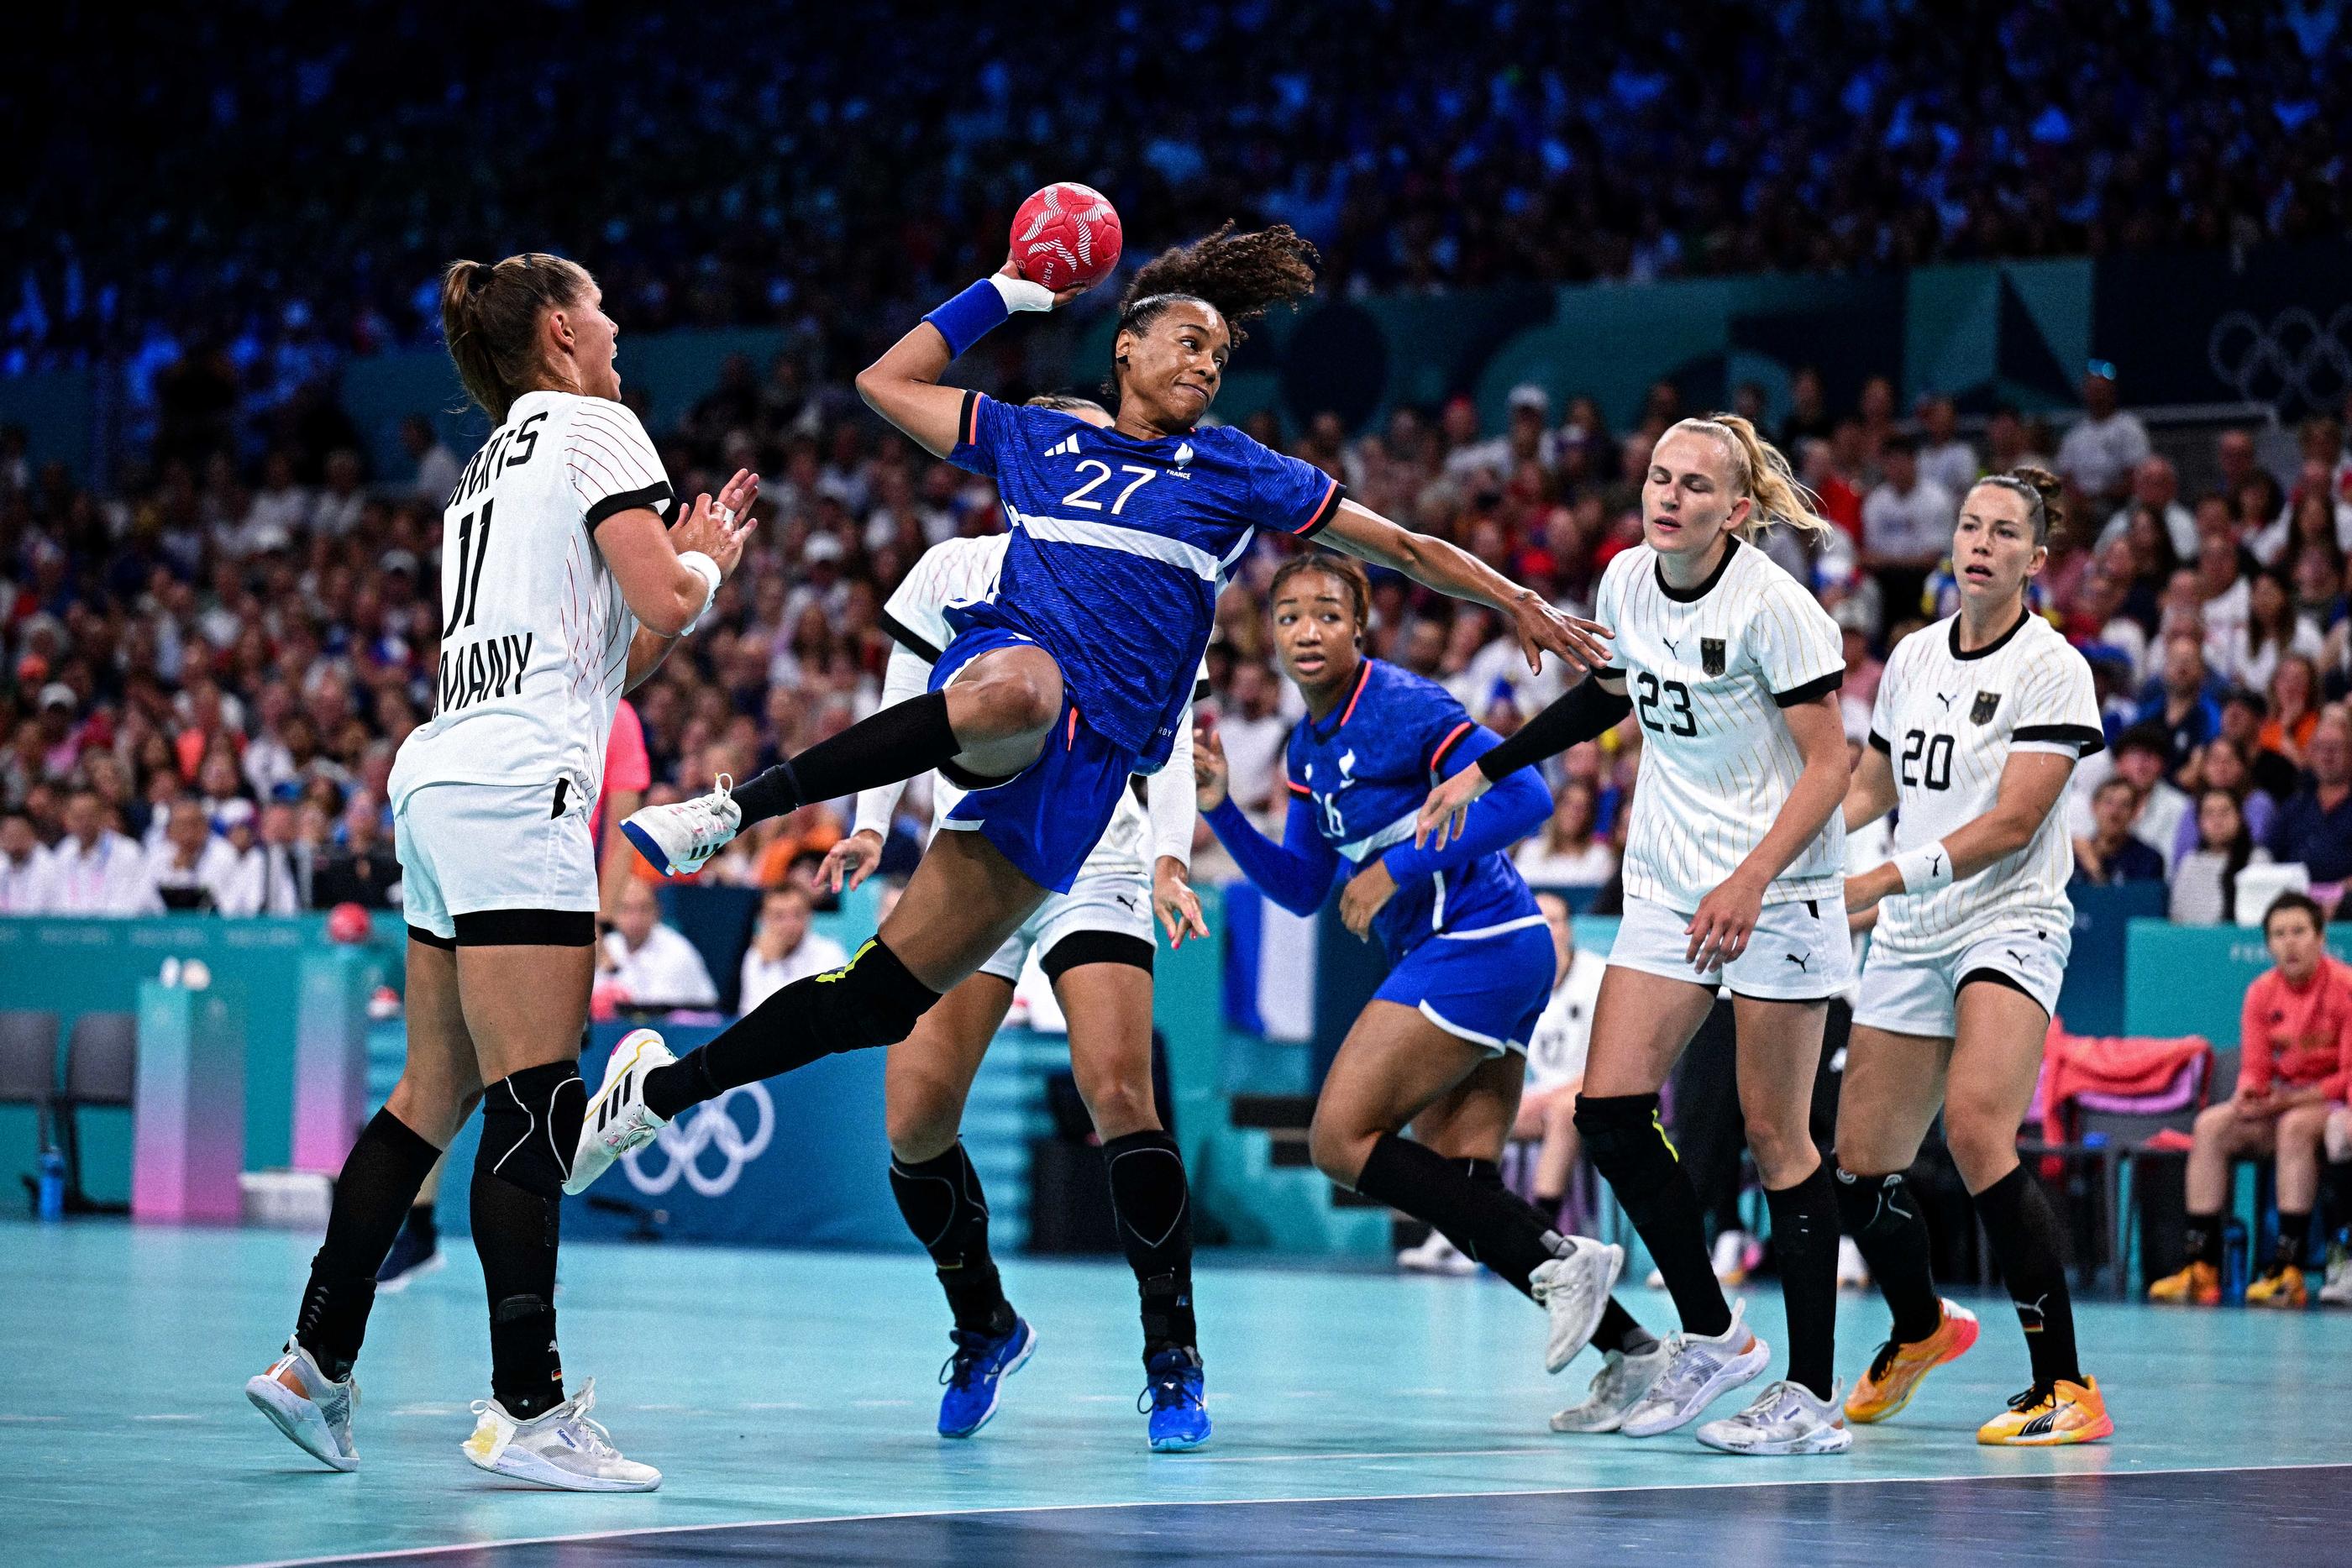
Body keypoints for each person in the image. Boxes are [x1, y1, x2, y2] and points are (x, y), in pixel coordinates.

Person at [570, 220, 1609, 1450]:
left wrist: (1512, 596)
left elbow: (1397, 543)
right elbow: (884, 383)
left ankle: (1168, 1354)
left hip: (1093, 799)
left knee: (955, 1029)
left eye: (1222, 352)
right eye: (1187, 340)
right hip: (1001, 717)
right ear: (1124, 344)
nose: (1208, 364)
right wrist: (1006, 290)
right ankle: (732, 817)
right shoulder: (1035, 439)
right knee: (921, 1074)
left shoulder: (1231, 469)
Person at [243, 250, 757, 1491]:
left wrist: (676, 595)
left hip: (439, 781)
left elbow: (598, 661)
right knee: (534, 1100)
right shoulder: (599, 425)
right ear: (562, 332)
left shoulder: (482, 470)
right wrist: (709, 568)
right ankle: (529, 1408)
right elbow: (660, 590)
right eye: (604, 306)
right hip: (521, 790)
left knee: (432, 1092)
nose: (622, 322)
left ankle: (315, 1362)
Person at [1420, 413, 1856, 1455]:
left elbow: (1832, 764)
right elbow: (1609, 697)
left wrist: (1754, 877)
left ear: (1737, 511)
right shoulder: (1623, 580)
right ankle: (1714, 1338)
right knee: (1608, 1111)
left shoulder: (1776, 609)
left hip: (1779, 884)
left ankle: (1811, 1394)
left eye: (1695, 487)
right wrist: (1488, 764)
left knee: (1775, 1136)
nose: (1668, 497)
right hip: (1668, 880)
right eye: (1659, 476)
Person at [822, 447, 1217, 1449]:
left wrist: (1171, 856)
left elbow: (1167, 739)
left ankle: (1172, 1355)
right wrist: (874, 824)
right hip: (975, 860)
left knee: (1118, 1089)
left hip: (1095, 855)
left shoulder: (1143, 560)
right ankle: (983, 1320)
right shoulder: (947, 572)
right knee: (913, 1123)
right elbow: (904, 712)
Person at [1198, 553, 1646, 1426]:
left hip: (1480, 938)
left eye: (1327, 613)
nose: (1306, 631)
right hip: (1484, 953)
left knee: (1337, 1136)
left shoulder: (1401, 703)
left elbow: (1527, 795)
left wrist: (1398, 867)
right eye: (1288, 617)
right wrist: (1217, 806)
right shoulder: (1305, 748)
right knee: (1462, 1188)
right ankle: (1632, 1352)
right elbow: (1297, 887)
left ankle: (1564, 1257)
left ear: (1359, 626)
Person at [1835, 467, 2115, 1446]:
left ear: (2036, 560)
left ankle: (2064, 1385)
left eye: (2003, 532)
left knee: (1976, 1129)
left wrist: (1877, 883)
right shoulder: (1911, 658)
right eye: (1968, 525)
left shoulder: (2052, 667)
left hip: (2008, 917)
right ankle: (1918, 1330)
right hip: (1915, 931)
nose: (1979, 542)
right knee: (1859, 1166)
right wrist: (1794, 842)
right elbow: (1871, 784)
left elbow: (2011, 823)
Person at [2150, 893, 2352, 1309]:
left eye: (2299, 932)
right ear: (2268, 944)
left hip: (2330, 1106)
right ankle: (2201, 1268)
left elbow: (2346, 1078)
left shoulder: (2345, 987)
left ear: (2320, 937)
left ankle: (2287, 1271)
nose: (2289, 943)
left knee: (2295, 1128)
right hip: (2283, 1104)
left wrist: (2284, 1102)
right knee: (2211, 1125)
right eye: (2279, 934)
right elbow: (2257, 1068)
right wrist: (2248, 1093)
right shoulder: (2261, 992)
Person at [598, 879, 719, 1009]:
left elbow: (655, 1009)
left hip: (689, 1025)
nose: (636, 918)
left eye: (644, 909)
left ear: (657, 911)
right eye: (626, 909)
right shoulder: (609, 945)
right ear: (614, 914)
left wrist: (612, 974)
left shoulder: (676, 949)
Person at [43, 787, 160, 915]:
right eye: (78, 817)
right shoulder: (64, 852)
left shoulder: (127, 851)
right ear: (67, 819)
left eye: (90, 816)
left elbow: (134, 901)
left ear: (102, 816)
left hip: (113, 929)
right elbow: (55, 899)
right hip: (71, 928)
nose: (84, 822)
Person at [737, 884, 847, 1010]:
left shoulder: (829, 953)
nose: (789, 924)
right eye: (779, 916)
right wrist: (771, 963)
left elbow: (815, 1011)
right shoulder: (756, 955)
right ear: (764, 919)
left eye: (797, 914)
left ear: (809, 915)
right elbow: (750, 1012)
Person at [2170, 789, 2270, 926]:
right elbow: (2177, 919)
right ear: (2199, 822)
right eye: (2209, 814)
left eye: (2225, 812)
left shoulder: (2258, 860)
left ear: (2240, 817)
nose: (2217, 821)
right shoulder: (2190, 863)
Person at [1512, 779, 1617, 888]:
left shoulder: (1599, 857)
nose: (1573, 813)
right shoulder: (1531, 851)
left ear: (1590, 816)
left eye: (1581, 808)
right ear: (1556, 808)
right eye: (1567, 804)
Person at [2071, 777, 2167, 886]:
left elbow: (2130, 902)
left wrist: (2094, 868)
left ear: (2135, 812)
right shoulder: (2073, 857)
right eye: (2108, 802)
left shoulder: (2148, 859)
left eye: (2124, 805)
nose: (2114, 813)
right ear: (2094, 807)